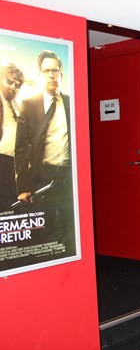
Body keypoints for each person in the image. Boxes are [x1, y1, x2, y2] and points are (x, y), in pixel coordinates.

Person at [15, 50, 73, 244]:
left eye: (55, 70)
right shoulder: (29, 105)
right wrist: (23, 187)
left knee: (69, 229)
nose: (51, 75)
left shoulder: (70, 103)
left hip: (68, 177)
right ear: (40, 74)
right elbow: (21, 149)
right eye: (47, 71)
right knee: (43, 231)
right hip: (42, 178)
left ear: (61, 74)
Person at [0, 63, 25, 212]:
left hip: (13, 163)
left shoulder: (15, 104)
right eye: (9, 81)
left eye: (18, 84)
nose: (13, 86)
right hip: (2, 159)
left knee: (11, 205)